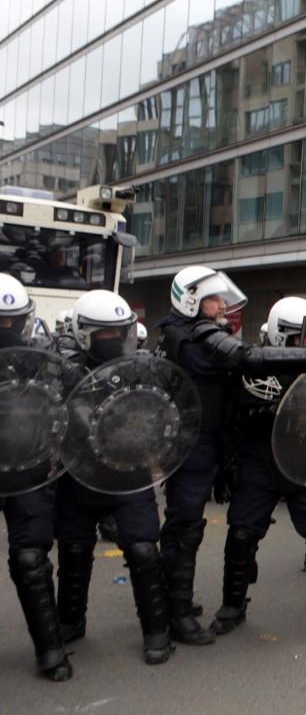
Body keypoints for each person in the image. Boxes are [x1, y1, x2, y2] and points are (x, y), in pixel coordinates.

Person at [153, 265, 306, 645]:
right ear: (190, 300)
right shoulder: (195, 335)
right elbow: (245, 357)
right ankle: (175, 615)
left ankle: (179, 604)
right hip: (195, 442)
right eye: (213, 299)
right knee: (186, 529)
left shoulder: (183, 332)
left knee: (187, 529)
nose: (222, 305)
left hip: (210, 443)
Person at [209, 297, 306, 646]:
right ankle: (233, 604)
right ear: (278, 337)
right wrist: (227, 468)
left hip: (304, 462)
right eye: (299, 339)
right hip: (259, 461)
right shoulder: (251, 367)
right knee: (242, 535)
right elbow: (230, 419)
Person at [52, 291, 173, 666]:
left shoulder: (141, 367)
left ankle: (156, 629)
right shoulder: (62, 369)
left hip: (127, 473)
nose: (117, 340)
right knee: (73, 549)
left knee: (142, 549)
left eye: (121, 331)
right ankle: (70, 620)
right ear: (84, 333)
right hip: (78, 474)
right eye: (107, 334)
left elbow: (160, 410)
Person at [0, 273, 72, 681]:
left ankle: (50, 649)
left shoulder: (44, 357)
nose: (7, 331)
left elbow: (74, 398)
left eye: (12, 321)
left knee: (31, 559)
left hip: (29, 467)